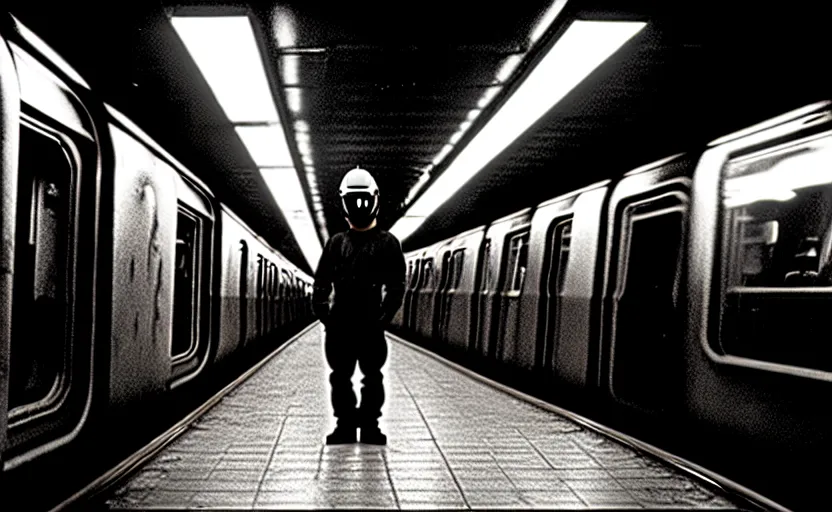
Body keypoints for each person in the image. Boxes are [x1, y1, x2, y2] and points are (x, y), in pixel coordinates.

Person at [312, 166, 406, 445]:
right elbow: (396, 285)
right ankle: (361, 427)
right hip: (362, 322)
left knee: (355, 377)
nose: (359, 205)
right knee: (357, 377)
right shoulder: (386, 243)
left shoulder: (337, 244)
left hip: (351, 322)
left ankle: (355, 427)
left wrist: (325, 314)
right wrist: (384, 315)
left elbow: (321, 284)